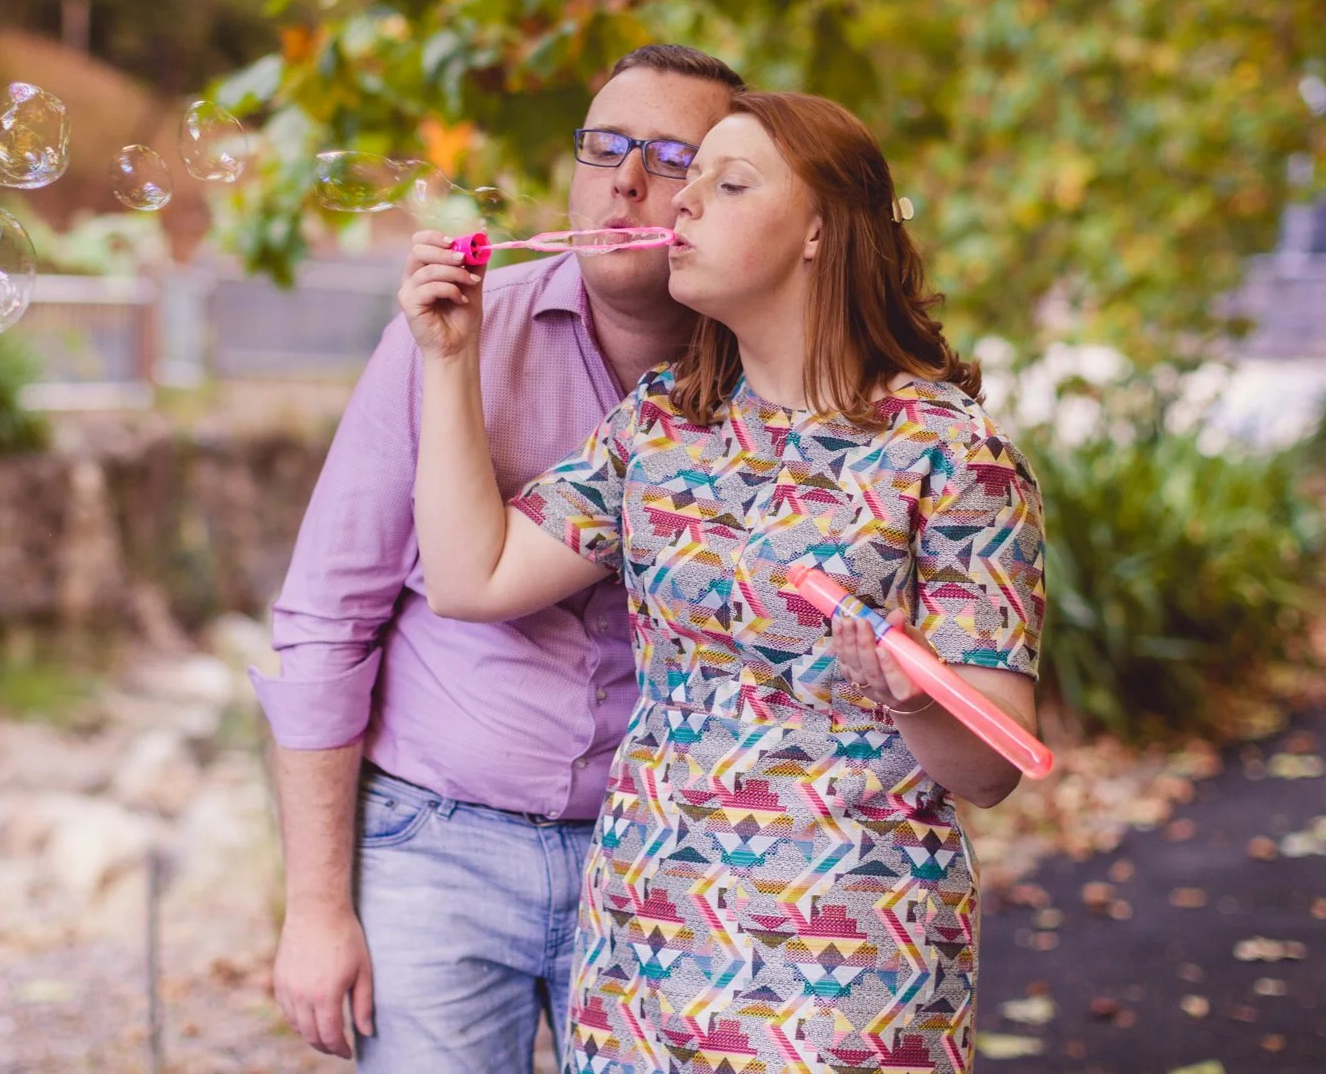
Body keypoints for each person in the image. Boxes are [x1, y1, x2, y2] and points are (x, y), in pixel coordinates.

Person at [400, 90, 1046, 1072]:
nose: (680, 204)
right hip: (643, 949)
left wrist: (911, 695)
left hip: (849, 964)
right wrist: (447, 359)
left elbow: (993, 766)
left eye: (726, 182)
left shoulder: (953, 457)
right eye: (686, 179)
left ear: (820, 232)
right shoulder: (663, 425)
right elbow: (469, 575)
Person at [253, 45, 747, 1070]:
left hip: (664, 860)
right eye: (603, 145)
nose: (624, 180)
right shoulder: (451, 337)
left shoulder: (768, 379)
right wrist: (313, 910)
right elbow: (324, 620)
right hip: (435, 851)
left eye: (670, 155)